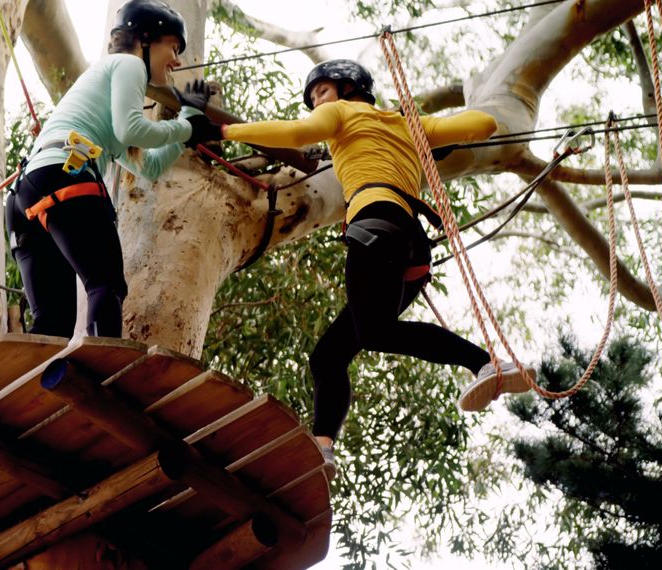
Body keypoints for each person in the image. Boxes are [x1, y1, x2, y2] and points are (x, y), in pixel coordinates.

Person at [220, 59, 536, 478]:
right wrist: (424, 130)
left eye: (323, 92)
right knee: (329, 357)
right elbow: (483, 125)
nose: (318, 102)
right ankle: (323, 446)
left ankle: (485, 363)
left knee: (374, 333)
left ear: (351, 90)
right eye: (313, 98)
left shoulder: (343, 114)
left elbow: (295, 134)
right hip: (409, 249)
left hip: (376, 229)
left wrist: (225, 130)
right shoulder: (404, 124)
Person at [5, 0, 221, 338]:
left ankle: (29, 384)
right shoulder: (127, 64)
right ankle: (103, 371)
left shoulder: (102, 93)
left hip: (28, 192)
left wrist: (184, 127)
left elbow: (147, 167)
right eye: (174, 47)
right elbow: (130, 129)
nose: (177, 60)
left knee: (54, 323)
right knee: (105, 283)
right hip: (66, 174)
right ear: (146, 38)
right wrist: (187, 128)